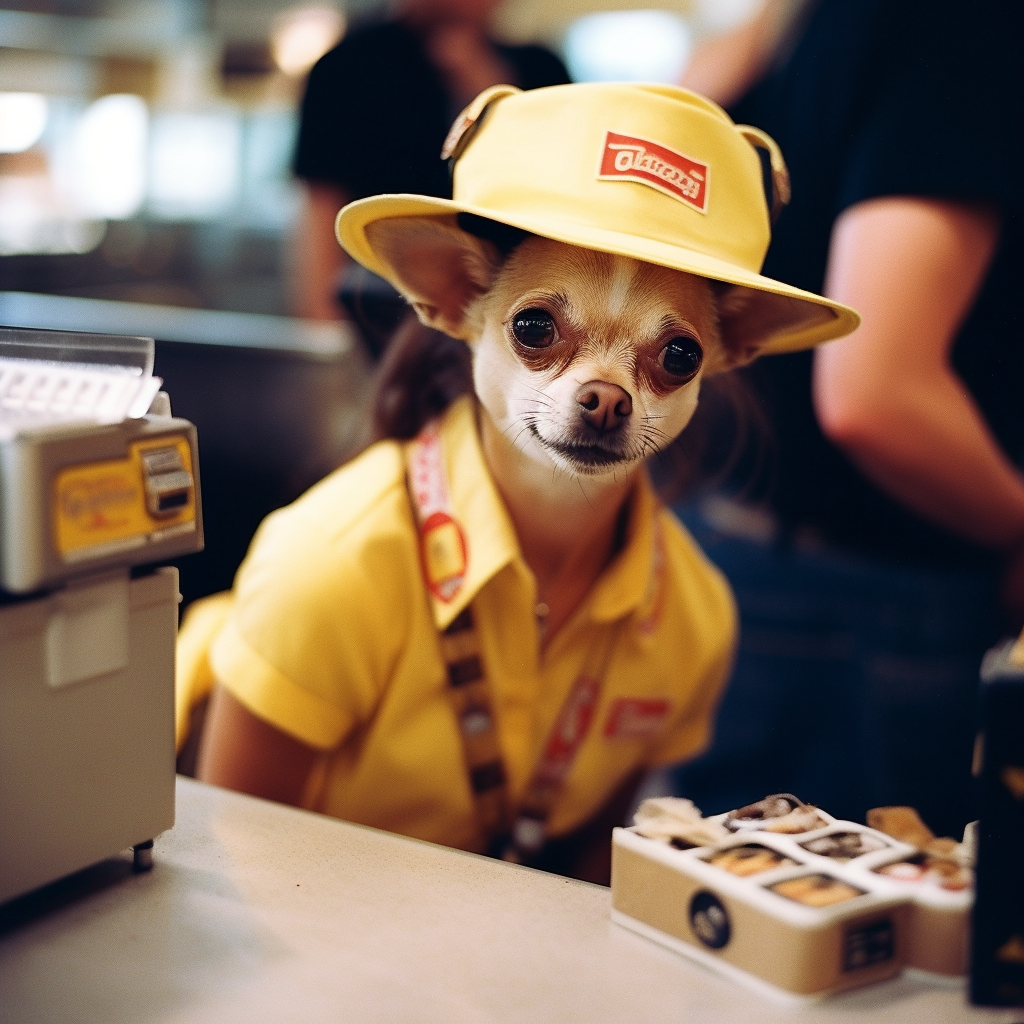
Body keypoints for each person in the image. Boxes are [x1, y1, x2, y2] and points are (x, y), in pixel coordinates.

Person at [176, 83, 858, 884]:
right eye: (539, 331)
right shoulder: (335, 563)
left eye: (672, 357)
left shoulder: (691, 616)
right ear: (457, 301)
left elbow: (579, 869)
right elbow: (227, 867)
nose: (604, 397)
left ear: (733, 348)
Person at [668, 0, 1024, 839]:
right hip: (863, 595)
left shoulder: (811, 23)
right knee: (835, 949)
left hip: (735, 535)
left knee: (734, 928)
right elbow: (876, 394)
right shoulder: (968, 26)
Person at [289, 0, 570, 339]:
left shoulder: (540, 68)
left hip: (521, 316)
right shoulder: (350, 66)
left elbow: (565, 201)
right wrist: (325, 330)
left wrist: (488, 84)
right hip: (381, 310)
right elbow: (322, 208)